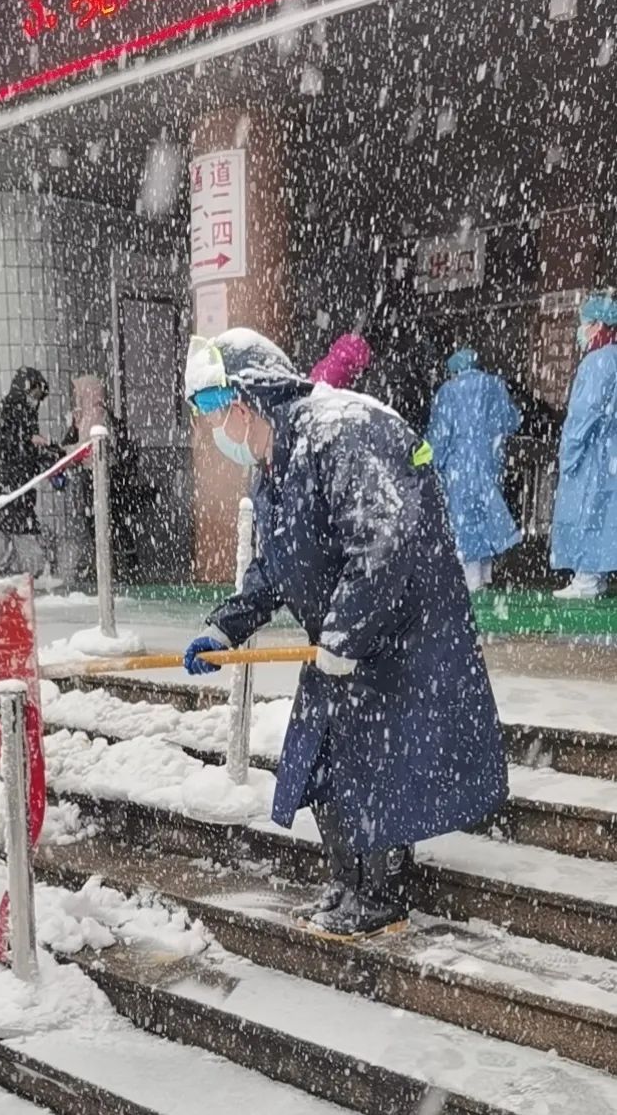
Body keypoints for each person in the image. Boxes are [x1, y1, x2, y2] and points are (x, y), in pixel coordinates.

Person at [182, 328, 507, 940]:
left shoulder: (340, 432)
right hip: (342, 636)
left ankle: (380, 893)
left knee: (378, 764)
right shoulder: (271, 464)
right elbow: (274, 566)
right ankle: (346, 881)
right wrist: (226, 625)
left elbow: (383, 542)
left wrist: (345, 634)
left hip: (398, 634)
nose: (212, 427)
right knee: (325, 758)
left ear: (246, 400)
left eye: (212, 408)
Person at [427, 348, 522, 591]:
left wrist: (432, 461)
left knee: (464, 517)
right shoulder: (496, 385)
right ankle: (486, 574)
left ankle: (471, 578)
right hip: (490, 459)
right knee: (486, 513)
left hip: (460, 462)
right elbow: (512, 420)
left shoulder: (448, 391)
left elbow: (440, 434)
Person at [550, 293, 617, 599]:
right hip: (610, 452)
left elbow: (584, 413)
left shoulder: (597, 362)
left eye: (585, 323)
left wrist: (570, 451)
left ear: (599, 325)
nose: (582, 329)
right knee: (604, 512)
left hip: (594, 452)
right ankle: (597, 575)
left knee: (586, 511)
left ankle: (586, 580)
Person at [0, 367, 62, 578]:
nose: (36, 401)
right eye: (35, 395)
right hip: (7, 486)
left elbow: (29, 450)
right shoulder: (6, 410)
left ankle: (4, 578)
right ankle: (7, 578)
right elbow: (6, 443)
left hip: (19, 488)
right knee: (16, 536)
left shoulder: (27, 414)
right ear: (25, 389)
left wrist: (50, 453)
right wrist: (29, 441)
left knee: (12, 535)